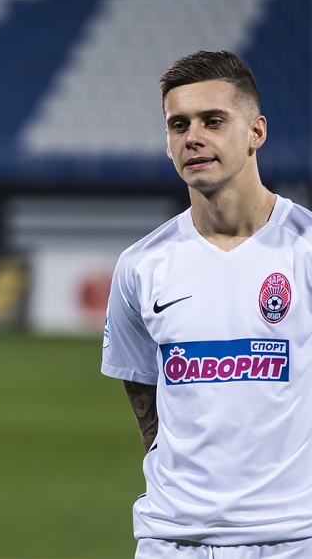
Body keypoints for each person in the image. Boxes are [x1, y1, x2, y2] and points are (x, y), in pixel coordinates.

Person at [101, 50, 312, 557]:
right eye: (179, 125)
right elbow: (142, 388)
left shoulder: (304, 249)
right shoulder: (140, 265)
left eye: (213, 121)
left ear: (256, 131)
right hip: (171, 540)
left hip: (292, 538)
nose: (192, 137)